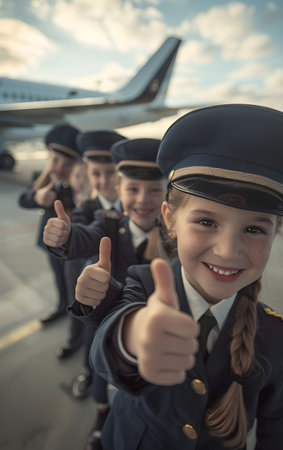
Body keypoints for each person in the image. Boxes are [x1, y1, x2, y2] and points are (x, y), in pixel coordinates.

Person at [87, 104, 283, 450]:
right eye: (206, 221)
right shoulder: (143, 284)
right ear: (169, 218)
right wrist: (136, 336)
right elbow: (103, 351)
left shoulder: (274, 333)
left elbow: (278, 421)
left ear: (275, 234)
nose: (229, 251)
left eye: (253, 228)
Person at [43, 138, 168, 450]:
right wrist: (66, 237)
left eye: (155, 189)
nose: (143, 199)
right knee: (104, 372)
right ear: (120, 193)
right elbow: (87, 237)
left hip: (159, 335)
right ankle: (102, 414)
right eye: (133, 189)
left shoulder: (176, 239)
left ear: (167, 196)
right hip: (114, 326)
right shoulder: (110, 225)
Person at [56, 130, 125, 360]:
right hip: (80, 273)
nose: (103, 181)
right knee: (80, 317)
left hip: (120, 281)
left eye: (111, 173)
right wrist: (66, 237)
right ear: (87, 172)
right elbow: (81, 232)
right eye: (96, 173)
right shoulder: (86, 208)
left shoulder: (135, 206)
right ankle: (81, 357)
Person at [18, 123, 81, 324]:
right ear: (48, 158)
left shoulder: (78, 184)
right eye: (55, 160)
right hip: (51, 243)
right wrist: (37, 196)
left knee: (74, 282)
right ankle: (62, 305)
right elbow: (23, 199)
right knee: (59, 277)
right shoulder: (43, 180)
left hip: (73, 245)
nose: (59, 167)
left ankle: (77, 315)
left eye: (67, 163)